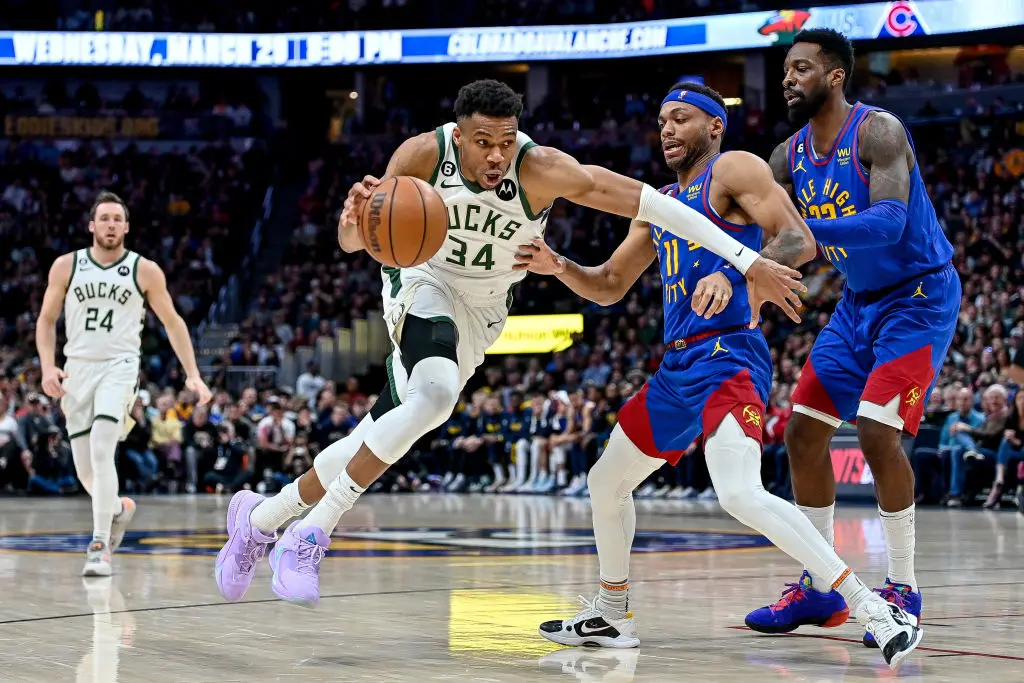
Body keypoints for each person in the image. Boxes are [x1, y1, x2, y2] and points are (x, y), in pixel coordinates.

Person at [214, 78, 807, 606]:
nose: (497, 155)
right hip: (424, 286)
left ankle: (262, 517)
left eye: (506, 140)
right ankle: (314, 531)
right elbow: (353, 241)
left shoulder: (541, 167)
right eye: (482, 142)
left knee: (382, 433)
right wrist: (352, 220)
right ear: (458, 134)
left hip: (483, 314)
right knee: (436, 397)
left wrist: (746, 259)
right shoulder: (424, 153)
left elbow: (660, 206)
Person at [522, 81, 922, 669]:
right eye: (661, 120)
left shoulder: (733, 169)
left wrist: (735, 278)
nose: (667, 129)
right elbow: (608, 286)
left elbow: (795, 237)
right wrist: (558, 265)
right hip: (678, 364)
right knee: (606, 482)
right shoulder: (656, 202)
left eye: (681, 118)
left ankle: (870, 607)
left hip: (730, 354)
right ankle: (611, 613)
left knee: (739, 492)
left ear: (714, 126)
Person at [744, 29, 959, 647]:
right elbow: (757, 219)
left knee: (876, 430)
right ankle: (818, 588)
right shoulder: (786, 157)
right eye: (786, 69)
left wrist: (807, 232)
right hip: (857, 303)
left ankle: (903, 589)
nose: (789, 79)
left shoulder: (878, 132)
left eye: (802, 68)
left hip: (919, 297)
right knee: (801, 432)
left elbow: (891, 223)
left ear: (835, 76)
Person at [36, 191, 212, 577]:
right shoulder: (67, 266)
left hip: (119, 366)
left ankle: (99, 545)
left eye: (118, 218)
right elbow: (47, 320)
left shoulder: (143, 269)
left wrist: (193, 374)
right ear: (92, 225)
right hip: (77, 369)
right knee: (86, 470)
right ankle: (116, 509)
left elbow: (173, 322)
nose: (111, 224)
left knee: (102, 446)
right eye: (105, 218)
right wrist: (48, 367)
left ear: (127, 227)